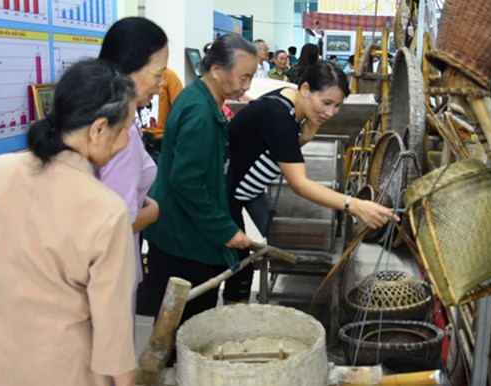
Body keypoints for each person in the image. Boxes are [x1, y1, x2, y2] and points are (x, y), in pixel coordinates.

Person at [0, 59, 138, 386]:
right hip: (63, 370)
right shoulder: (106, 211)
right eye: (125, 131)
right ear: (98, 130)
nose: (125, 143)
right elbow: (113, 343)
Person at [226, 61, 398, 302]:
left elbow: (277, 152)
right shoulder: (279, 116)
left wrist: (305, 137)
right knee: (236, 268)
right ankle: (230, 325)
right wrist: (354, 205)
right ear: (305, 89)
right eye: (326, 103)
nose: (330, 112)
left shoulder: (291, 104)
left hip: (243, 193)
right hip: (223, 195)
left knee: (253, 257)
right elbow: (300, 184)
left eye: (337, 106)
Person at [143, 34, 256, 337]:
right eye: (244, 76)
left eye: (251, 77)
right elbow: (187, 181)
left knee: (176, 329)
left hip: (182, 235)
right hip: (182, 243)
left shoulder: (200, 99)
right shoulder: (200, 112)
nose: (247, 86)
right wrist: (225, 229)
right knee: (185, 331)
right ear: (218, 70)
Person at [98, 17, 167, 316]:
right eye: (158, 73)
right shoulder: (120, 133)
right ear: (130, 68)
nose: (162, 83)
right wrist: (152, 211)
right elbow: (115, 225)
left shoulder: (100, 116)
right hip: (109, 274)